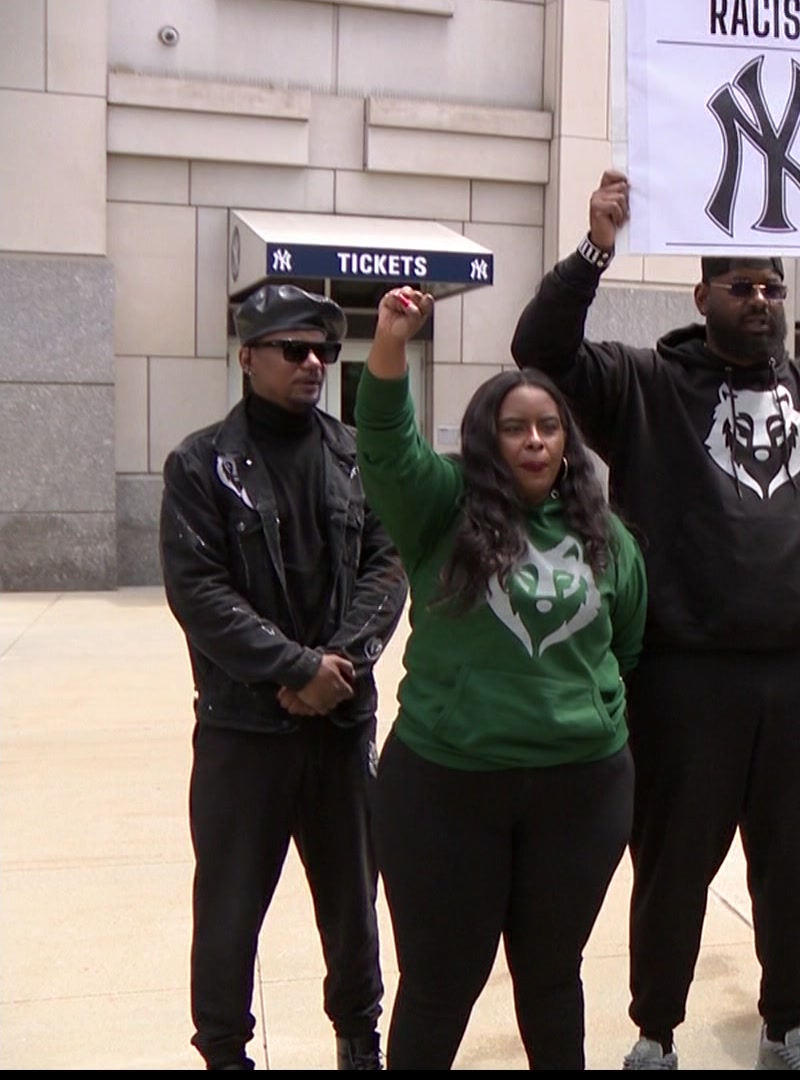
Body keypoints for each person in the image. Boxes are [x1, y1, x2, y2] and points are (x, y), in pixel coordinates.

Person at [511, 171, 800, 1071]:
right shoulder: (645, 384)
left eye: (772, 287)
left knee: (793, 867)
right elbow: (541, 349)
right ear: (702, 296)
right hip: (686, 677)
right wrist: (597, 245)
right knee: (675, 868)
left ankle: (786, 1023)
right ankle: (655, 1032)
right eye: (741, 286)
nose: (760, 301)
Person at [354, 286, 647, 1069]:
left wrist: (571, 710)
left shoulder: (607, 537)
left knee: (552, 981)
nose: (534, 441)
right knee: (443, 983)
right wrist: (389, 342)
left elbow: (625, 649)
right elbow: (384, 443)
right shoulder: (438, 507)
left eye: (549, 427)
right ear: (487, 437)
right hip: (445, 791)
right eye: (514, 427)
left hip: (579, 794)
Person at [159, 284, 404, 1071]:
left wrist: (342, 665)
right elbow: (199, 592)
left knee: (352, 909)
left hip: (338, 731)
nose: (313, 363)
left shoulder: (355, 454)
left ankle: (357, 1042)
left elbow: (386, 565)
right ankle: (226, 1053)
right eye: (294, 350)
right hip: (243, 732)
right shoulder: (202, 464)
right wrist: (297, 668)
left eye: (325, 352)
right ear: (247, 357)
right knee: (229, 910)